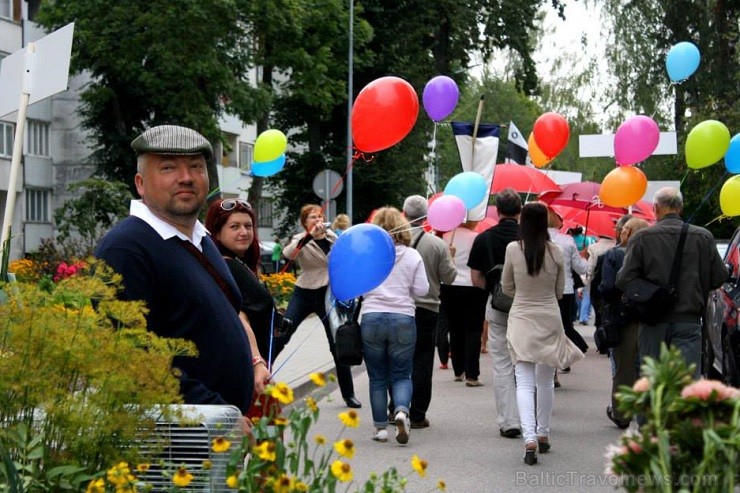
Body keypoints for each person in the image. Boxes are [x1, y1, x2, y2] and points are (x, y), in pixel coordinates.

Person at [94, 125, 256, 433]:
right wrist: (217, 414)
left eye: (196, 166)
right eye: (168, 167)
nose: (186, 177)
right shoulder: (127, 249)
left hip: (217, 435)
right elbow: (132, 358)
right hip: (175, 443)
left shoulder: (201, 239)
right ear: (140, 183)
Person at [501, 202, 584, 465]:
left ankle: (529, 438)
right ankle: (543, 433)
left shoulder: (513, 249)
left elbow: (506, 286)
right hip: (549, 316)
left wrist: (523, 297)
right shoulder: (556, 250)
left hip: (522, 316)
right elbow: (560, 291)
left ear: (523, 222)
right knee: (545, 381)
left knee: (523, 381)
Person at [616, 187, 727, 380]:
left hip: (652, 321)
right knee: (685, 383)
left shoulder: (642, 238)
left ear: (656, 208)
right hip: (689, 321)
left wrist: (648, 292)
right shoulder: (703, 237)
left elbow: (624, 279)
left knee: (652, 382)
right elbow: (719, 277)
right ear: (681, 208)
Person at [279, 204, 361, 408]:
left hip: (328, 294)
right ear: (304, 222)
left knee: (337, 342)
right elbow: (288, 254)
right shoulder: (301, 240)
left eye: (320, 216)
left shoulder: (333, 237)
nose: (318, 220)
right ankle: (261, 373)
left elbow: (349, 253)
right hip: (305, 291)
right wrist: (308, 236)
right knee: (284, 332)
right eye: (312, 217)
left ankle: (348, 394)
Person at [360, 207, 429, 444]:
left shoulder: (369, 255)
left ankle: (380, 429)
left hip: (371, 318)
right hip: (403, 318)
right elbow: (422, 290)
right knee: (401, 374)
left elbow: (358, 289)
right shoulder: (412, 256)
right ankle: (401, 410)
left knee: (377, 377)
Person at [468, 188, 522, 438]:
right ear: (520, 210)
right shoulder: (530, 237)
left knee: (501, 364)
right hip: (529, 307)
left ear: (497, 211)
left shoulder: (484, 238)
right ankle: (530, 419)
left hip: (498, 305)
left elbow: (476, 278)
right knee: (526, 363)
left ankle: (508, 421)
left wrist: (494, 289)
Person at [401, 195, 457, 429]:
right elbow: (449, 277)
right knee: (422, 361)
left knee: (399, 360)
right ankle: (417, 414)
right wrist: (450, 257)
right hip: (427, 308)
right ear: (426, 216)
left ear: (404, 214)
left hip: (399, 308)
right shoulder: (436, 244)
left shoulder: (393, 241)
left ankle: (397, 406)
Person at [204, 198, 280, 369]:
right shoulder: (227, 267)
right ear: (216, 233)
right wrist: (256, 361)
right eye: (234, 226)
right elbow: (239, 317)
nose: (244, 232)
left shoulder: (236, 263)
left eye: (248, 226)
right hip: (246, 366)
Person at [599, 216, 649, 429]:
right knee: (646, 366)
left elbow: (607, 287)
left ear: (627, 233)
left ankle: (621, 413)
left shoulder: (615, 255)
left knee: (623, 368)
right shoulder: (652, 255)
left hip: (623, 317)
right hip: (648, 317)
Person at [441, 220, 489, 386]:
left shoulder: (447, 237)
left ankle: (458, 370)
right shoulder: (477, 237)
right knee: (473, 330)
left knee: (455, 329)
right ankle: (472, 374)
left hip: (450, 286)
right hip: (472, 285)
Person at [546, 205, 589, 384]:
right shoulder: (567, 241)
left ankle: (550, 368)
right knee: (562, 327)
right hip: (565, 290)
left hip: (544, 290)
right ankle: (560, 361)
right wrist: (585, 257)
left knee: (547, 330)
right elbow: (581, 268)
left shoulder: (534, 240)